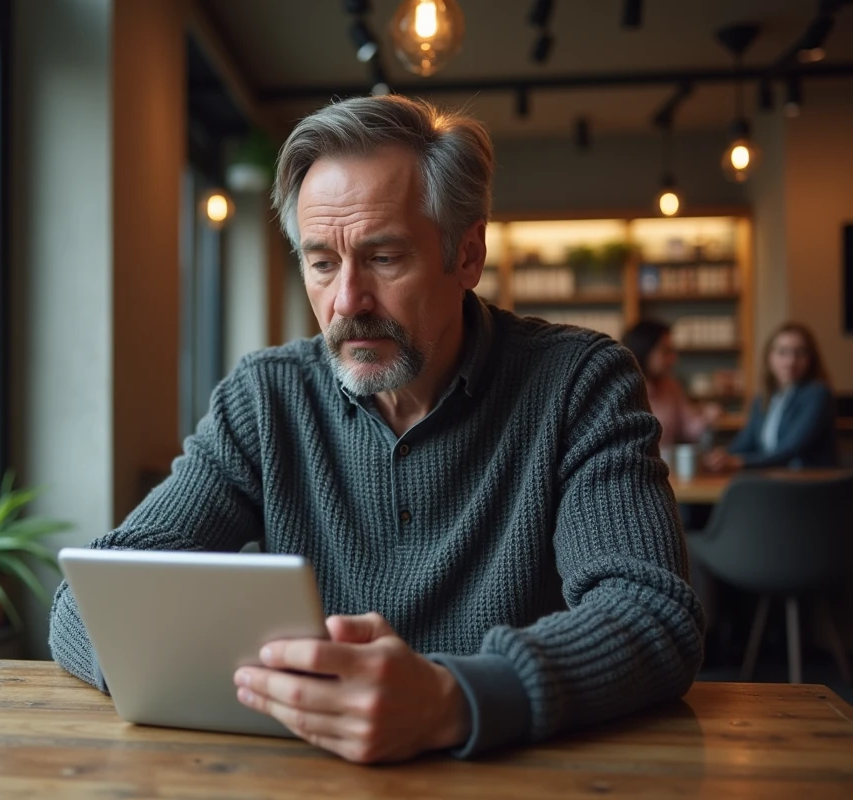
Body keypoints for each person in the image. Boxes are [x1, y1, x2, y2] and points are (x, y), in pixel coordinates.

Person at [49, 96, 703, 764]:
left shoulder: (578, 383)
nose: (346, 303)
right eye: (322, 263)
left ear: (467, 254)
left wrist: (455, 698)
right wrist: (282, 696)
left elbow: (650, 614)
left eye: (384, 258)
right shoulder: (265, 398)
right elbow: (85, 606)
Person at [703, 322, 838, 471]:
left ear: (811, 358)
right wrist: (721, 456)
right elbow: (745, 443)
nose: (790, 361)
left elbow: (789, 450)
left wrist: (738, 462)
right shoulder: (763, 399)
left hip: (809, 484)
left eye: (800, 353)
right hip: (774, 480)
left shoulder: (818, 395)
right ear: (770, 357)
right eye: (782, 352)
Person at [621, 319, 722, 454]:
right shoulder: (621, 390)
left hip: (666, 469)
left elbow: (689, 428)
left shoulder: (671, 386)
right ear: (644, 351)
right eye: (665, 351)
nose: (673, 359)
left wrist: (708, 416)